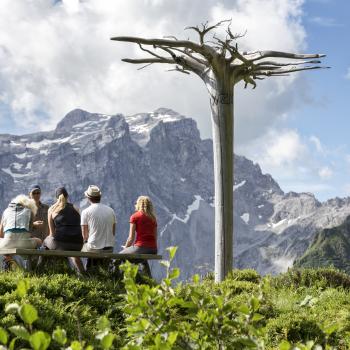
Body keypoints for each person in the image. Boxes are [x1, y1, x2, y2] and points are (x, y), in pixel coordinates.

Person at [44, 187, 83, 272]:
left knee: (46, 241)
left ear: (56, 198)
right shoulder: (76, 208)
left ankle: (41, 270)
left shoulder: (52, 210)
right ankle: (84, 274)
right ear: (67, 196)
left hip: (62, 245)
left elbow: (52, 234)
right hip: (78, 244)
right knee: (74, 253)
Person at [81, 185, 116, 253]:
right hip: (109, 248)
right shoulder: (111, 210)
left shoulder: (85, 212)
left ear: (88, 198)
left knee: (79, 250)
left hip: (94, 248)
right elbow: (113, 232)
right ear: (100, 197)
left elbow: (85, 236)